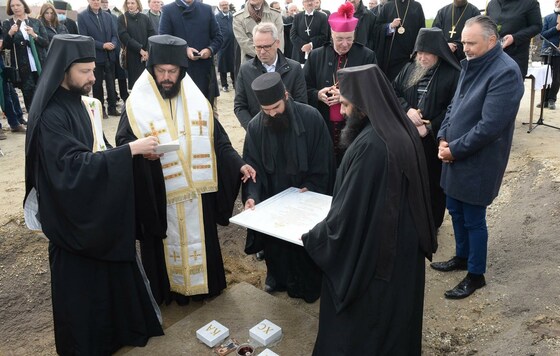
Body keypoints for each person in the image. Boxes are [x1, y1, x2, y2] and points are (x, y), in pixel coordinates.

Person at [24, 34, 163, 355]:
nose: (93, 77)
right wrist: (129, 150)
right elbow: (72, 167)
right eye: (85, 71)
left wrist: (136, 156)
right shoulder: (49, 115)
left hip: (94, 212)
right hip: (72, 219)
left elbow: (97, 151)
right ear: (64, 71)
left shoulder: (81, 104)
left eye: (93, 69)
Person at [302, 63, 436, 354]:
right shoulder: (399, 126)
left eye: (348, 105)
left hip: (377, 260)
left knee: (366, 327)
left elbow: (348, 218)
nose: (344, 112)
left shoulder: (371, 147)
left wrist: (317, 237)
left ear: (364, 104)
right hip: (402, 248)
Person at [116, 34, 255, 306]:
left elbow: (219, 141)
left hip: (195, 194)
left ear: (182, 71)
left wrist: (239, 164)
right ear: (151, 68)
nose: (167, 77)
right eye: (161, 71)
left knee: (200, 241)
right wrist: (141, 151)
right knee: (162, 243)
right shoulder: (136, 105)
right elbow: (123, 144)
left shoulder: (198, 101)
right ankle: (168, 292)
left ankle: (204, 288)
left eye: (173, 71)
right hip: (159, 191)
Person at [431, 16, 524, 299]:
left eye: (471, 43)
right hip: (453, 154)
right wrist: (443, 136)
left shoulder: (505, 72)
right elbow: (453, 106)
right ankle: (461, 256)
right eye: (464, 42)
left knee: (473, 218)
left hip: (478, 161)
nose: (465, 48)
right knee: (456, 211)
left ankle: (475, 273)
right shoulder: (470, 64)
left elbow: (490, 127)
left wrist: (454, 149)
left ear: (491, 41)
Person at [242, 72, 334, 302]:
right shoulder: (255, 127)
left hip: (306, 196)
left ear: (286, 95)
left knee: (306, 246)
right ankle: (277, 277)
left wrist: (311, 187)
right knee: (276, 248)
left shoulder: (311, 118)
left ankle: (309, 285)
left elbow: (323, 162)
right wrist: (252, 197)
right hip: (274, 199)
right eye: (266, 110)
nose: (272, 114)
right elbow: (252, 169)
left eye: (276, 107)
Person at [392, 27, 461, 229]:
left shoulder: (453, 73)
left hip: (434, 140)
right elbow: (393, 91)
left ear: (438, 52)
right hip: (408, 137)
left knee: (432, 184)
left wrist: (430, 127)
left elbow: (455, 107)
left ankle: (431, 225)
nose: (421, 58)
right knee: (408, 181)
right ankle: (409, 220)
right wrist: (407, 110)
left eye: (426, 54)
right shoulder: (409, 68)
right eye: (419, 53)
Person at [303, 2, 377, 164]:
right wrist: (317, 94)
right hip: (323, 125)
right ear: (331, 34)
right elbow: (303, 88)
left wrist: (346, 97)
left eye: (349, 39)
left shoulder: (367, 56)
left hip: (355, 128)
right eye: (340, 39)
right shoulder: (316, 56)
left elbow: (373, 91)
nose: (345, 44)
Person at [234, 22, 307, 128]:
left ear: (277, 43)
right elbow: (240, 106)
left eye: (267, 46)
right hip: (258, 132)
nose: (262, 52)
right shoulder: (245, 70)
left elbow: (301, 103)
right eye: (258, 47)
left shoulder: (294, 68)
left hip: (289, 129)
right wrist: (253, 128)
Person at [159, 0, 223, 105]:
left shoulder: (206, 9)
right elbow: (164, 39)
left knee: (208, 113)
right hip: (180, 72)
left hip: (204, 70)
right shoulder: (168, 10)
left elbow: (218, 37)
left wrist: (210, 49)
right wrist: (184, 49)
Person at [2, 0, 49, 112]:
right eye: (12, 6)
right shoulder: (7, 24)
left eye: (18, 5)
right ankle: (33, 124)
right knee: (29, 96)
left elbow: (46, 42)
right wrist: (10, 34)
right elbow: (5, 47)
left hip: (39, 65)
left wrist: (34, 35)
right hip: (22, 68)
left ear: (24, 6)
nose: (15, 8)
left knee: (44, 95)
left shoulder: (36, 22)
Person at [78, 0, 120, 117]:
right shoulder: (82, 17)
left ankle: (112, 107)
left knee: (111, 84)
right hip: (96, 57)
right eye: (93, 0)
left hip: (109, 56)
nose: (96, 2)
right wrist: (102, 45)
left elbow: (114, 34)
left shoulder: (107, 16)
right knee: (97, 86)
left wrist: (113, 43)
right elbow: (85, 38)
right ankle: (100, 110)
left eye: (98, 0)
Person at [486, 0, 542, 78]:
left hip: (515, 57)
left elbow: (537, 26)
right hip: (492, 57)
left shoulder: (530, 3)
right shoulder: (492, 4)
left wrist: (514, 38)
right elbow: (487, 25)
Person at [374, 0, 425, 81]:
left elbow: (422, 31)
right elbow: (377, 28)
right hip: (391, 57)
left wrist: (417, 50)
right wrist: (390, 26)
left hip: (410, 55)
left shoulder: (417, 6)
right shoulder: (387, 6)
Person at [118, 0, 155, 89]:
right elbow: (124, 36)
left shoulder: (145, 18)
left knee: (148, 83)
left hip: (146, 56)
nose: (130, 5)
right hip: (132, 55)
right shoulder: (122, 18)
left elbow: (151, 34)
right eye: (128, 3)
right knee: (135, 85)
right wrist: (140, 49)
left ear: (138, 4)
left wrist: (146, 51)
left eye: (132, 3)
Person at [216, 0, 235, 91]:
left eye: (226, 4)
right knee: (222, 66)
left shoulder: (233, 17)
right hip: (222, 46)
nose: (225, 6)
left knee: (234, 65)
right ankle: (224, 85)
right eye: (222, 5)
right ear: (219, 7)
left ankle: (235, 83)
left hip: (233, 45)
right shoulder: (216, 17)